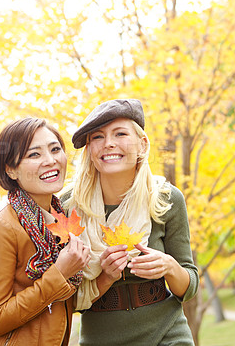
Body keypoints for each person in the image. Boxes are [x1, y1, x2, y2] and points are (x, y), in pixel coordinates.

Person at [62, 99, 199, 345]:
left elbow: (188, 288)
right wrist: (104, 277)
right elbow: (63, 297)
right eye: (98, 137)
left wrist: (169, 266)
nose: (109, 144)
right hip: (99, 337)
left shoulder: (166, 199)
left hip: (166, 333)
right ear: (89, 150)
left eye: (120, 133)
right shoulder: (67, 208)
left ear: (142, 143)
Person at [0, 117, 90, 346]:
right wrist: (60, 273)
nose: (51, 160)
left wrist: (108, 275)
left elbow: (58, 307)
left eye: (55, 150)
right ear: (11, 170)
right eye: (35, 154)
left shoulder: (58, 222)